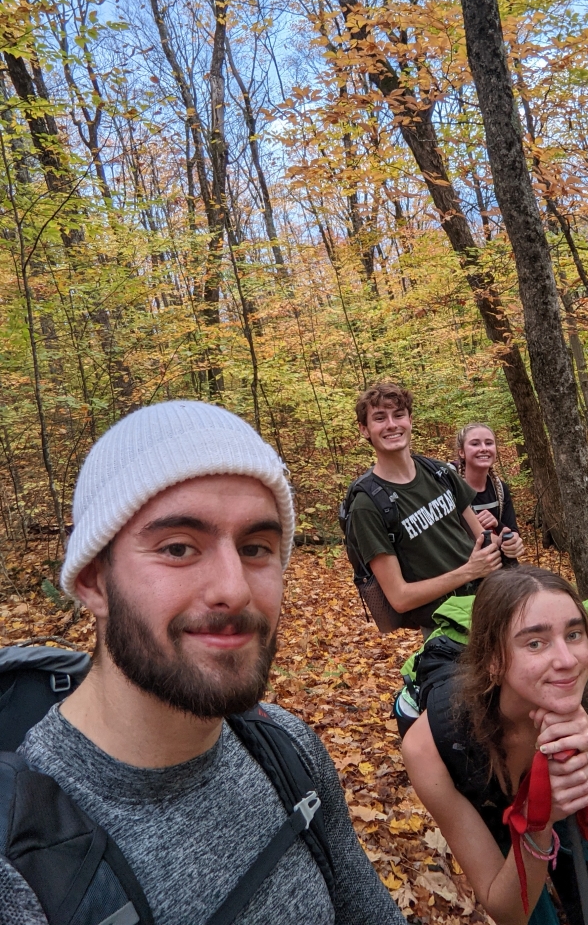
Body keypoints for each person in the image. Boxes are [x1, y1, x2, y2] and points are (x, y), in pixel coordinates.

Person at [1, 400, 406, 925]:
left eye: (257, 548)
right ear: (92, 580)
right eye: (177, 548)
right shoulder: (21, 865)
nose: (233, 590)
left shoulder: (287, 750)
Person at [401, 567, 588, 925]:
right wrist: (537, 820)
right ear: (494, 660)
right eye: (535, 642)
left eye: (574, 633)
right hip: (482, 789)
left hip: (556, 792)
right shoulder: (431, 745)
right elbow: (507, 911)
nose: (567, 661)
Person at [349, 383, 515, 631]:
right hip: (447, 627)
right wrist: (469, 571)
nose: (392, 424)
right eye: (380, 418)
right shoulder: (367, 506)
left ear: (410, 420)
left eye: (398, 415)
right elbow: (400, 598)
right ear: (364, 429)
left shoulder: (439, 473)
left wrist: (506, 545)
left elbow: (481, 539)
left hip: (492, 602)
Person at [455, 423, 525, 556]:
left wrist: (498, 525)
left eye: (489, 443)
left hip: (498, 564)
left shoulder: (500, 488)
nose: (483, 449)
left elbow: (512, 531)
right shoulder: (451, 489)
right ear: (461, 452)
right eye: (475, 444)